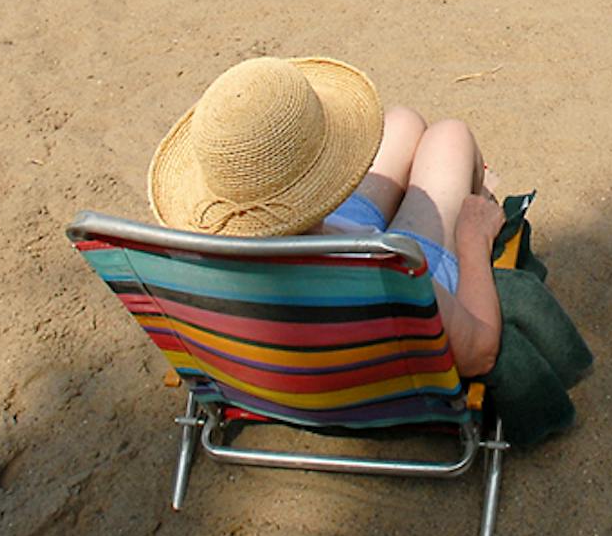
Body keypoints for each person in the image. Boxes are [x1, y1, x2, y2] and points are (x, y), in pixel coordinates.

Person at [147, 56, 504, 376]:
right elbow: (478, 354)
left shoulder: (187, 266)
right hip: (367, 289)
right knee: (449, 136)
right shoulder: (390, 267)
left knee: (403, 122)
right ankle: (477, 195)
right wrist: (474, 244)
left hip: (303, 265)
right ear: (321, 177)